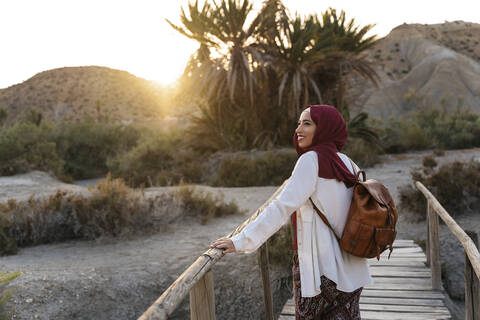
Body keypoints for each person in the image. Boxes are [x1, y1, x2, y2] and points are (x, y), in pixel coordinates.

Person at [209, 105, 372, 320]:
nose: (298, 129)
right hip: (352, 270)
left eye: (307, 123)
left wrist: (240, 241)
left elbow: (281, 207)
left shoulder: (310, 160)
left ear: (324, 128)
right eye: (298, 123)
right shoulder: (348, 162)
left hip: (321, 272)